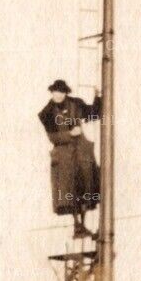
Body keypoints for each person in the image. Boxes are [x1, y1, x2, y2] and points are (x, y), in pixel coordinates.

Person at [38, 79, 101, 239]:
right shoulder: (46, 113)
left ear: (65, 92)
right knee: (69, 193)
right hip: (64, 157)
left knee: (87, 188)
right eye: (55, 92)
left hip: (81, 153)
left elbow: (93, 114)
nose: (57, 95)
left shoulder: (76, 104)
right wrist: (69, 134)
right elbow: (53, 137)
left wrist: (98, 96)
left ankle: (83, 225)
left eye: (60, 92)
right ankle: (77, 226)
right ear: (52, 93)